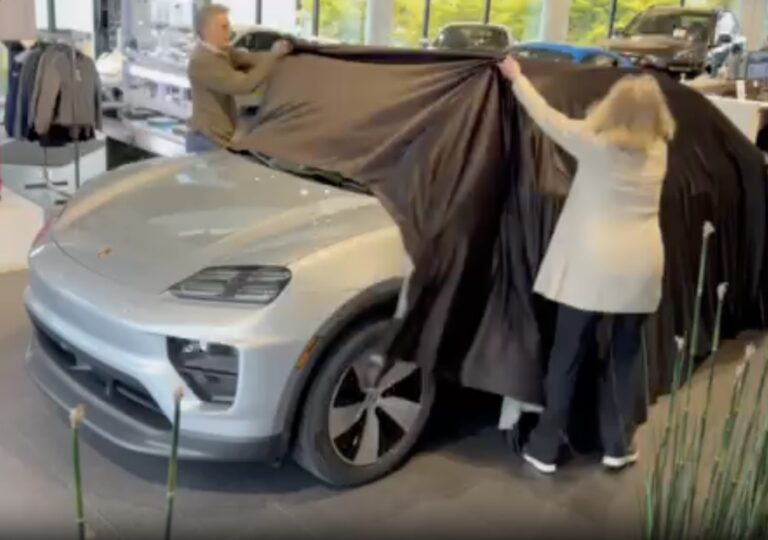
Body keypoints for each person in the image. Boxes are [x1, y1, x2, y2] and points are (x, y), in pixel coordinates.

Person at [497, 56, 675, 474]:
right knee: (624, 358)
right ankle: (618, 445)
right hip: (642, 267)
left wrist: (516, 77)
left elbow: (545, 117)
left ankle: (544, 447)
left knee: (567, 355)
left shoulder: (594, 144)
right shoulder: (659, 151)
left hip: (592, 268)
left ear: (613, 107)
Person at [186, 4, 292, 153]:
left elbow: (249, 59)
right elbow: (243, 85)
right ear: (206, 30)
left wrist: (276, 55)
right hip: (207, 140)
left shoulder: (221, 52)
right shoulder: (203, 61)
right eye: (224, 27)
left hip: (217, 138)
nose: (229, 32)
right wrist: (273, 56)